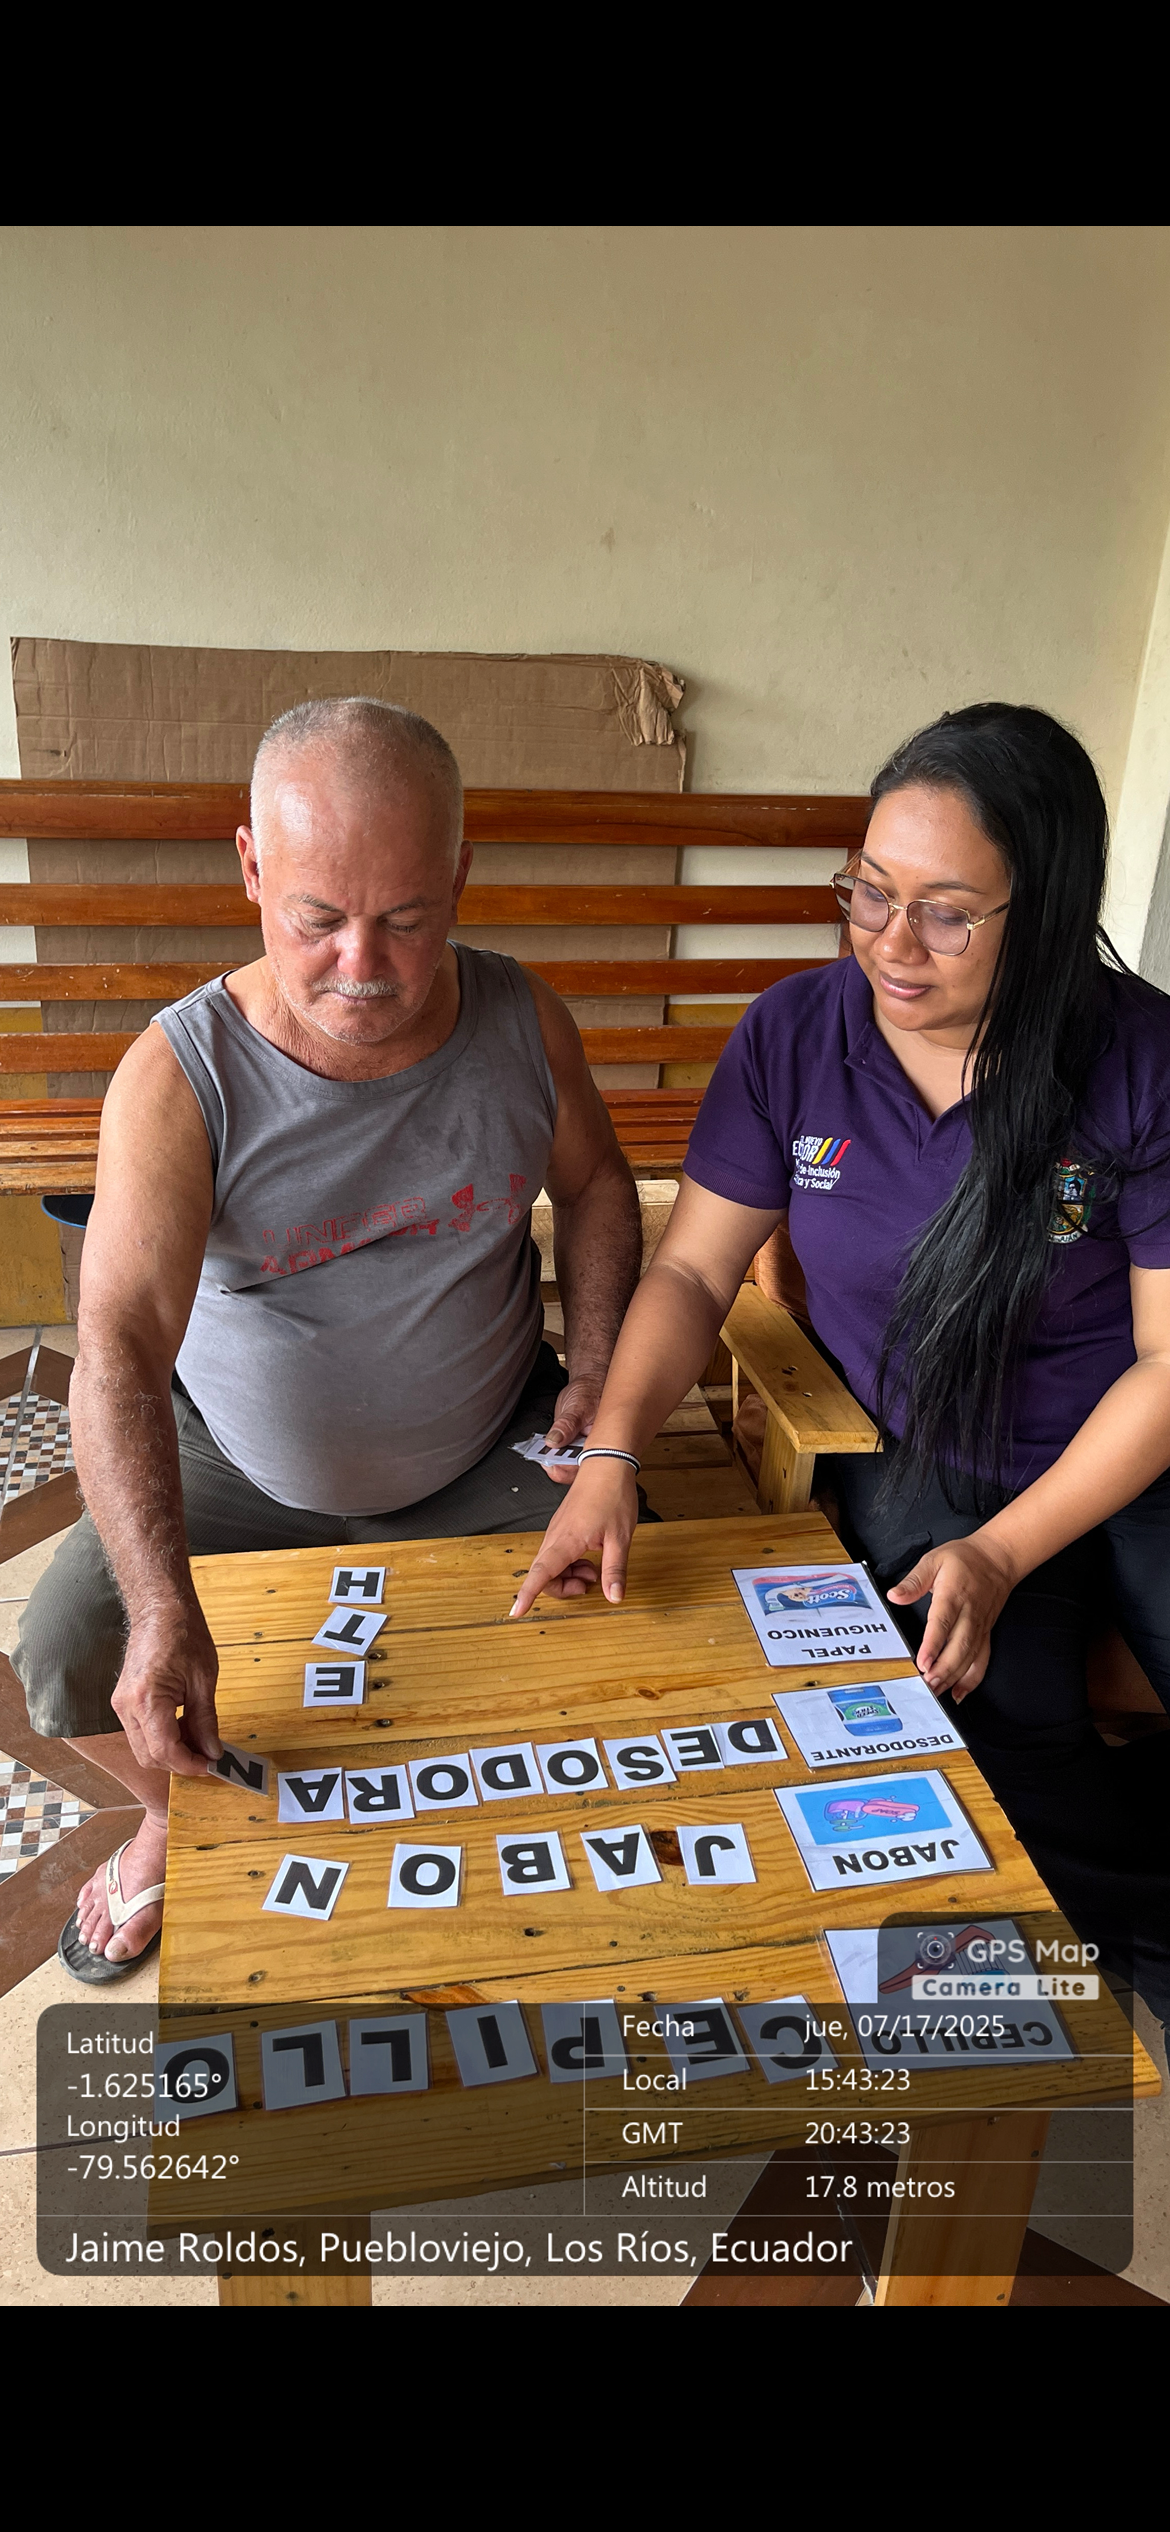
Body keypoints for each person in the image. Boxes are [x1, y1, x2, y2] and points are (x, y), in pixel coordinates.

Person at [512, 702, 1170, 2017]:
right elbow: (693, 1274)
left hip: (1125, 1444)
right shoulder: (796, 1036)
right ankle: (1128, 1931)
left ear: (1042, 912)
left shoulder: (1141, 1060)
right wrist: (611, 1452)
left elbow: (1163, 1365)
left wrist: (1006, 1551)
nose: (889, 941)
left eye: (946, 913)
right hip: (929, 1452)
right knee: (980, 1709)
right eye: (869, 891)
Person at [16, 697, 642, 1977]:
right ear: (251, 869)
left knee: (638, 1626)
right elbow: (120, 1344)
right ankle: (170, 1819)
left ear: (459, 876)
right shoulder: (180, 1077)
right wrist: (162, 1603)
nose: (364, 963)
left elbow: (595, 1187)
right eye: (318, 919)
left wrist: (593, 1370)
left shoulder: (524, 1022)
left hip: (489, 1445)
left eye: (406, 918)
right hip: (237, 1463)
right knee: (71, 1654)